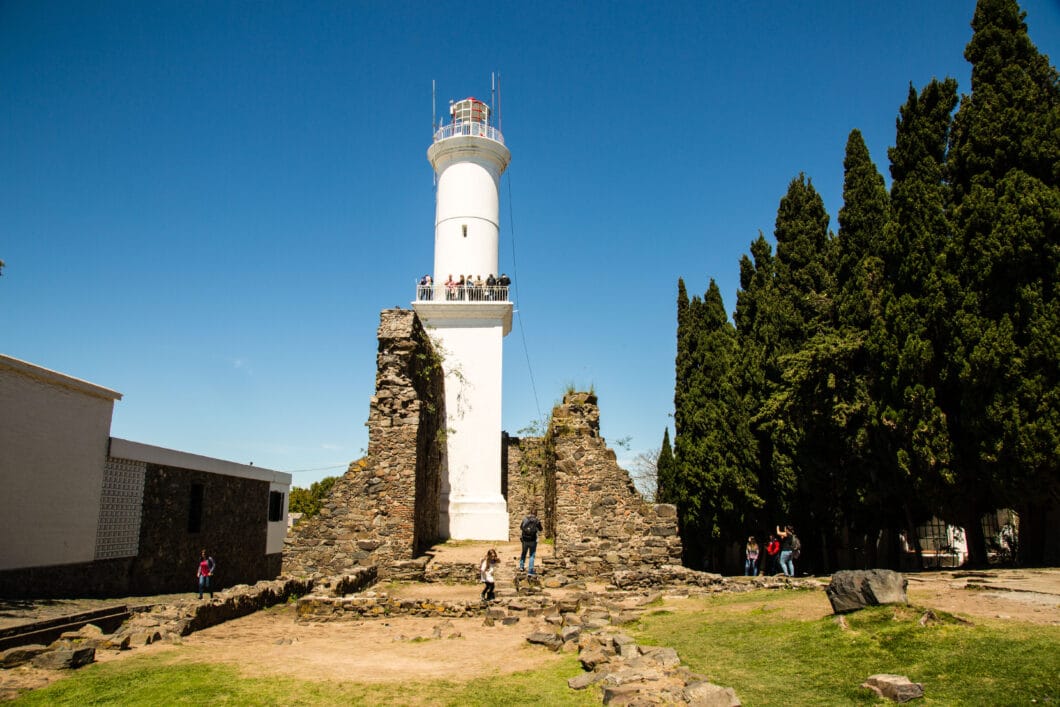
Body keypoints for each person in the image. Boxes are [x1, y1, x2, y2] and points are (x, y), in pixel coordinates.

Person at [519, 509, 544, 575]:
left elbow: (521, 527)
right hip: (533, 540)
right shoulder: (537, 520)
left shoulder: (525, 519)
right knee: (532, 555)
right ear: (536, 514)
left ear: (530, 513)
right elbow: (541, 529)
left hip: (525, 539)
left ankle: (521, 567)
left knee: (524, 553)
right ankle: (530, 571)